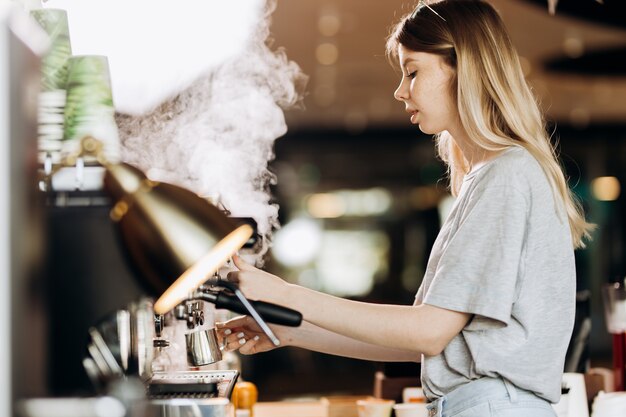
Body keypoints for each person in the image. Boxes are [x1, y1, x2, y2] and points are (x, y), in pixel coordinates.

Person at [216, 1, 594, 416]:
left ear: (462, 68)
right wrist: (289, 329)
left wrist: (286, 293)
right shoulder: (492, 177)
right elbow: (423, 342)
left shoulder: (505, 175)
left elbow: (428, 333)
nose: (400, 90)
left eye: (413, 71)